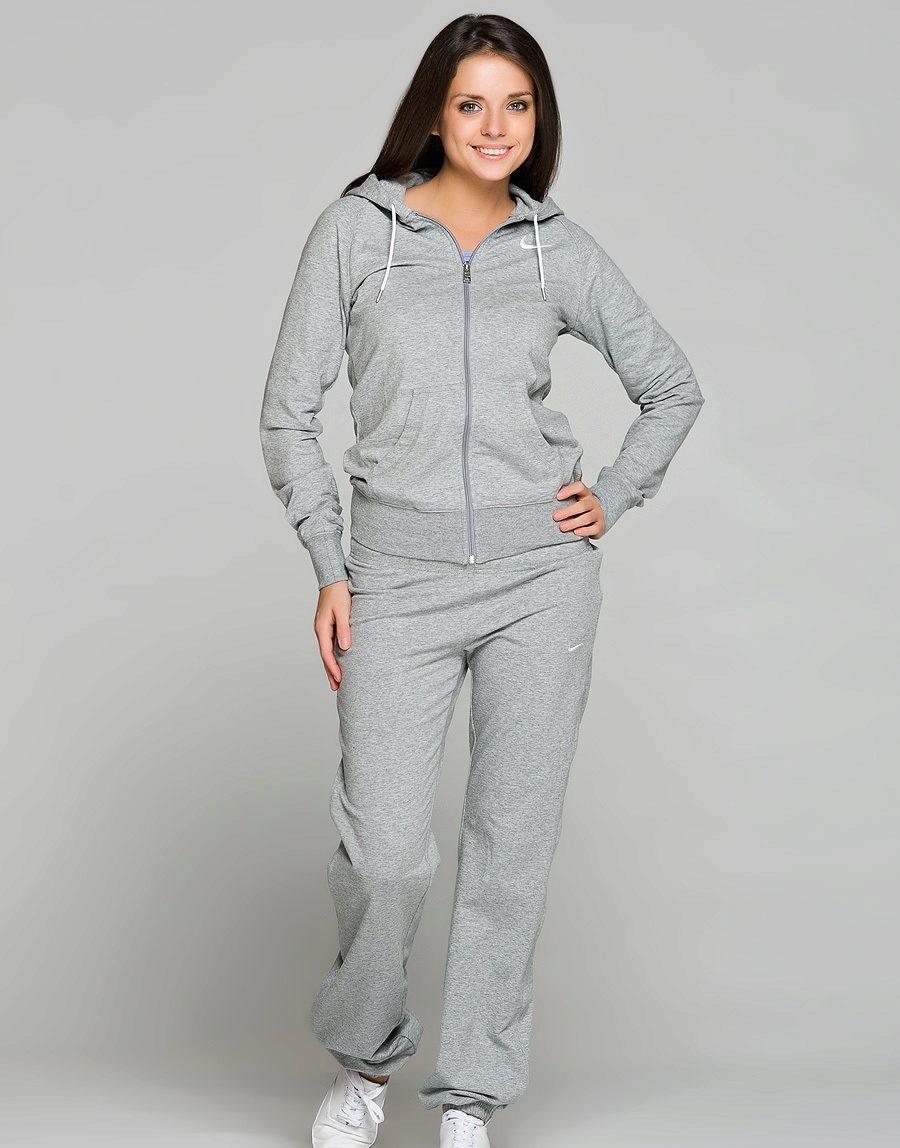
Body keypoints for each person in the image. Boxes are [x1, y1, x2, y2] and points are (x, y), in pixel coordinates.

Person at [259, 13, 705, 1148]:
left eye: (517, 105)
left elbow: (671, 385)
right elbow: (287, 412)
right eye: (472, 104)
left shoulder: (557, 248)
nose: (496, 126)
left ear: (538, 120)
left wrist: (614, 492)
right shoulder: (357, 233)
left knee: (512, 848)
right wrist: (330, 564)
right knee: (386, 855)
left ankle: (469, 1097)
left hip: (539, 581)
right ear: (435, 113)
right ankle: (365, 1061)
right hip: (395, 578)